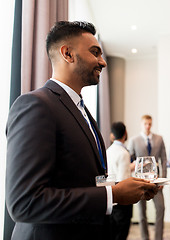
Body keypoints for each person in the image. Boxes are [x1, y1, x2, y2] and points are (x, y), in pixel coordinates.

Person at [6, 21, 158, 240]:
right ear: (67, 53)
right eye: (95, 52)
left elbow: (80, 179)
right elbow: (25, 202)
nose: (103, 62)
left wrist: (121, 188)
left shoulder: (83, 111)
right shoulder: (36, 105)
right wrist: (112, 194)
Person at [128, 115, 167, 240]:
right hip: (140, 181)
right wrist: (135, 165)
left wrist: (163, 179)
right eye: (145, 123)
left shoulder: (159, 139)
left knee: (161, 209)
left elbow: (164, 160)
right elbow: (129, 159)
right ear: (141, 124)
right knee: (141, 212)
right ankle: (145, 237)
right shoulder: (134, 140)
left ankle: (158, 237)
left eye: (150, 124)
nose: (147, 126)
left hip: (156, 180)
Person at [107, 122, 136, 240]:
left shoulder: (108, 150)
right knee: (121, 233)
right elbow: (123, 180)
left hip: (110, 196)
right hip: (122, 201)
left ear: (112, 135)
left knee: (112, 232)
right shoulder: (124, 153)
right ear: (125, 134)